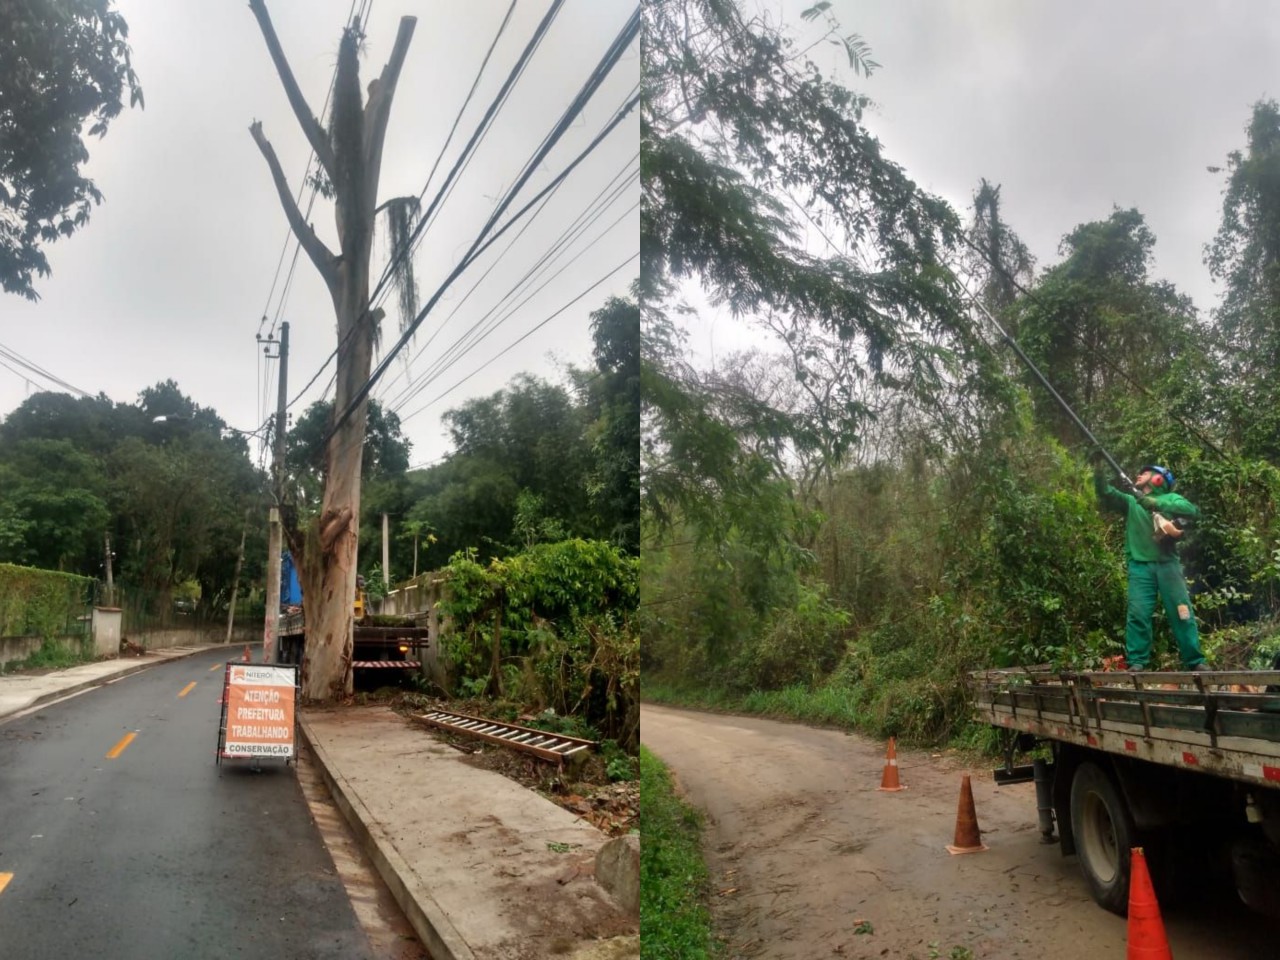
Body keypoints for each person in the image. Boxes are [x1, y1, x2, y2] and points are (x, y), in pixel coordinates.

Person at [1094, 462, 1208, 671]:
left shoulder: (1170, 498)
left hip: (1168, 565)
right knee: (1138, 614)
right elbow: (1105, 492)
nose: (1139, 474)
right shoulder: (1131, 501)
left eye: (1145, 472)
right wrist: (1098, 468)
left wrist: (1155, 503)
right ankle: (1137, 662)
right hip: (1140, 566)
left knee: (1181, 612)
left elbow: (1191, 510)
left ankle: (1195, 661)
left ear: (1159, 479)